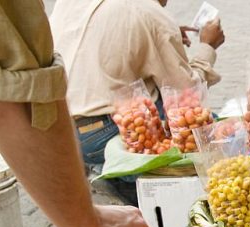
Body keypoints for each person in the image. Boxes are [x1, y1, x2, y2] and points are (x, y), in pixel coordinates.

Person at [0, 0, 163, 227]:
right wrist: (90, 226)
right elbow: (19, 96)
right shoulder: (151, 14)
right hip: (100, 132)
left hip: (76, 129)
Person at [49, 0, 225, 170]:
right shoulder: (150, 12)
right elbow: (187, 94)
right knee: (209, 128)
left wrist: (161, 33)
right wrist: (207, 47)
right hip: (105, 134)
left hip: (60, 129)